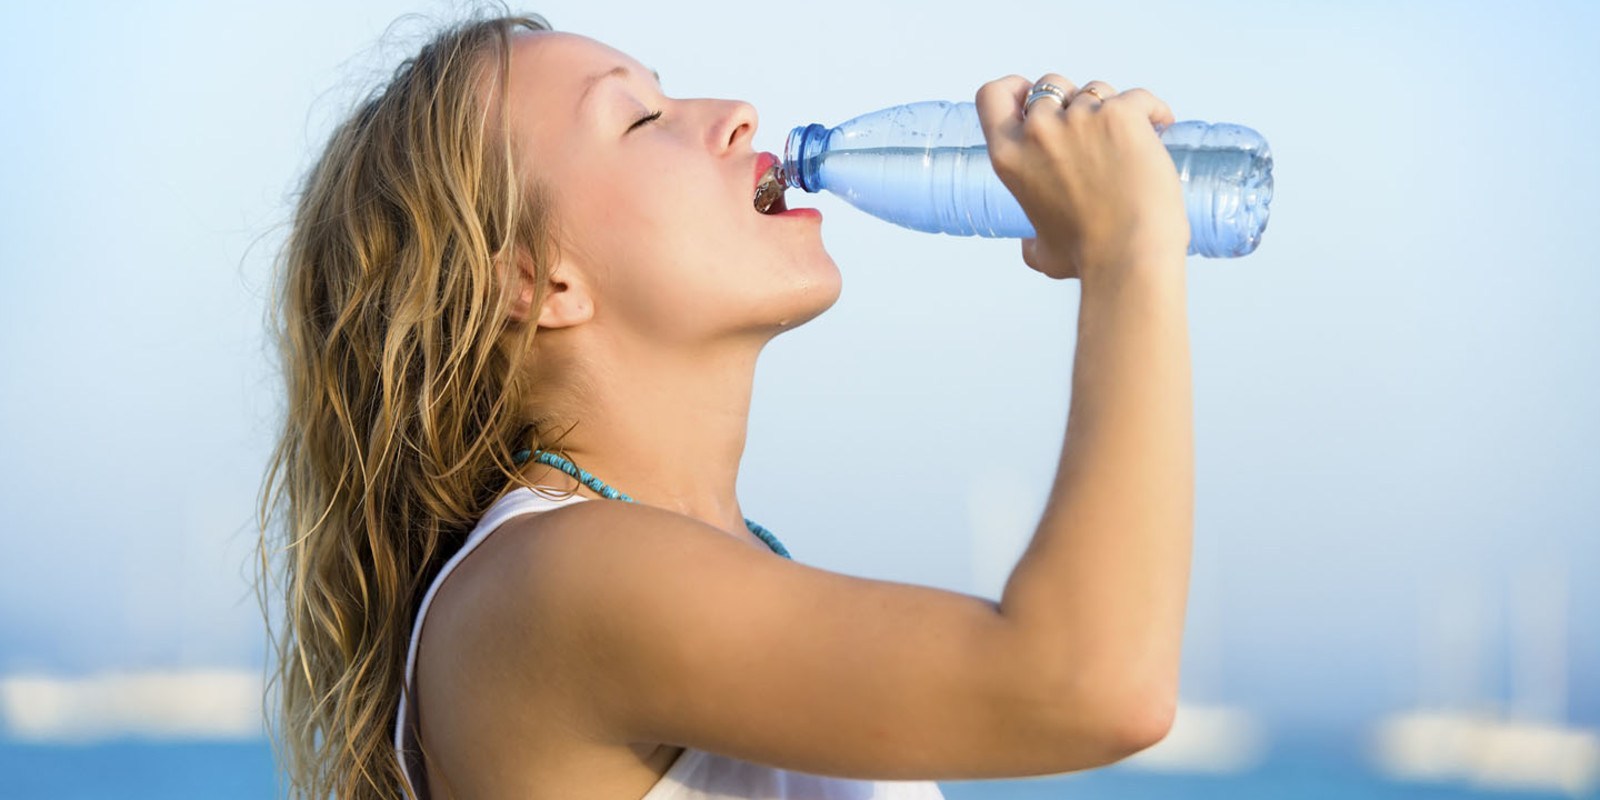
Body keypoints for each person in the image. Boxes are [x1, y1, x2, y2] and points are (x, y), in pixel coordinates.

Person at [255, 8, 1194, 800]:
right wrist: (1128, 254)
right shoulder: (556, 577)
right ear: (540, 285)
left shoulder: (696, 569)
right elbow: (1091, 683)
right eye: (641, 119)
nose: (739, 115)